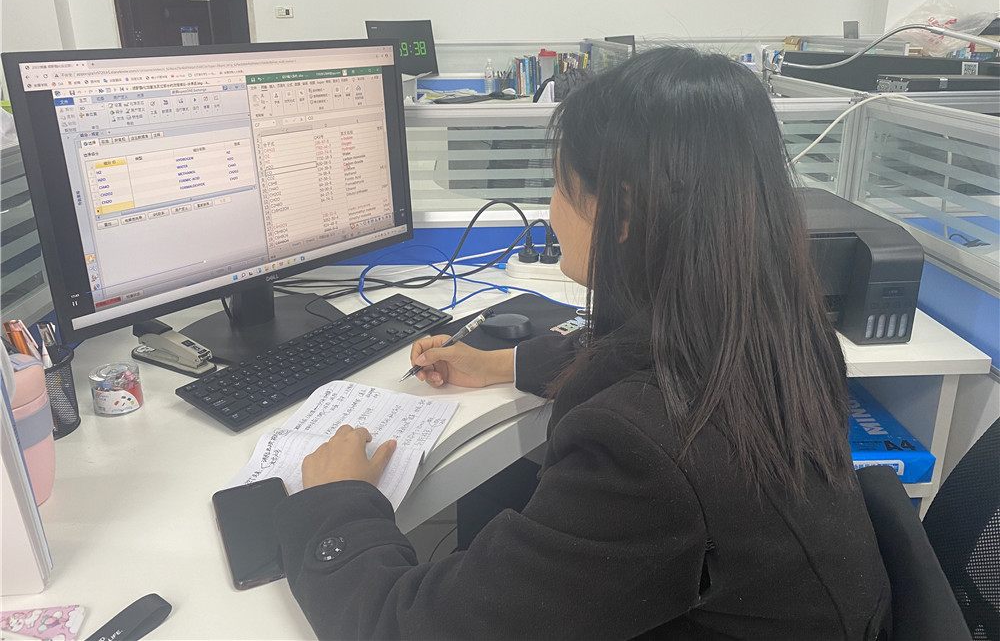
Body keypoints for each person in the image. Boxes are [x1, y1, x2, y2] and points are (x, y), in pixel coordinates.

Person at [273, 46, 890, 639]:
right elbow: (637, 351)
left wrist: (337, 501)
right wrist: (500, 364)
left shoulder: (644, 453)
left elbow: (408, 630)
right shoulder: (777, 330)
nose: (550, 211)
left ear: (620, 212)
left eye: (560, 186)